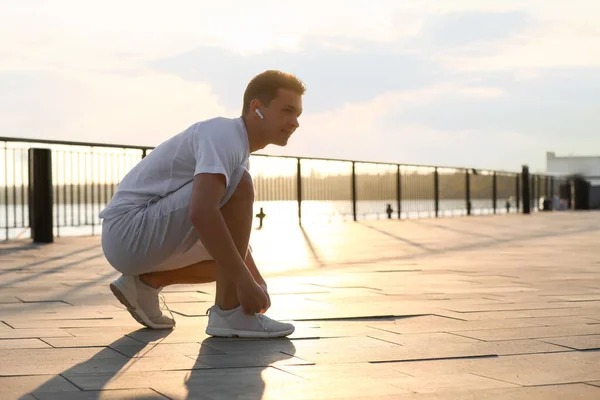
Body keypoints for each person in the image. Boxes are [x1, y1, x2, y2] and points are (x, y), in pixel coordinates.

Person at [98, 70, 305, 338]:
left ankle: (146, 284)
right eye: (287, 111)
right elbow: (202, 212)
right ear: (257, 108)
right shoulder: (223, 134)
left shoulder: (237, 149)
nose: (295, 123)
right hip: (127, 231)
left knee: (234, 247)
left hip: (134, 241)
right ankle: (229, 314)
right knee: (239, 185)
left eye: (298, 115)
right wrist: (244, 282)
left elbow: (224, 231)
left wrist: (255, 279)